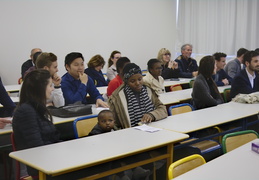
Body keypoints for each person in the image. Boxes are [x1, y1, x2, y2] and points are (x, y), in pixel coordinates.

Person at [12, 69, 60, 177]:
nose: (52, 89)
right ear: (40, 88)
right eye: (50, 85)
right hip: (39, 167)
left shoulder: (37, 108)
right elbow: (37, 148)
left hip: (49, 159)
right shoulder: (26, 111)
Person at [109, 63, 167, 129]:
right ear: (126, 81)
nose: (138, 83)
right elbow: (114, 123)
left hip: (152, 128)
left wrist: (152, 115)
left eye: (140, 79)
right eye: (132, 81)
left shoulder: (148, 90)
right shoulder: (117, 98)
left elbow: (162, 109)